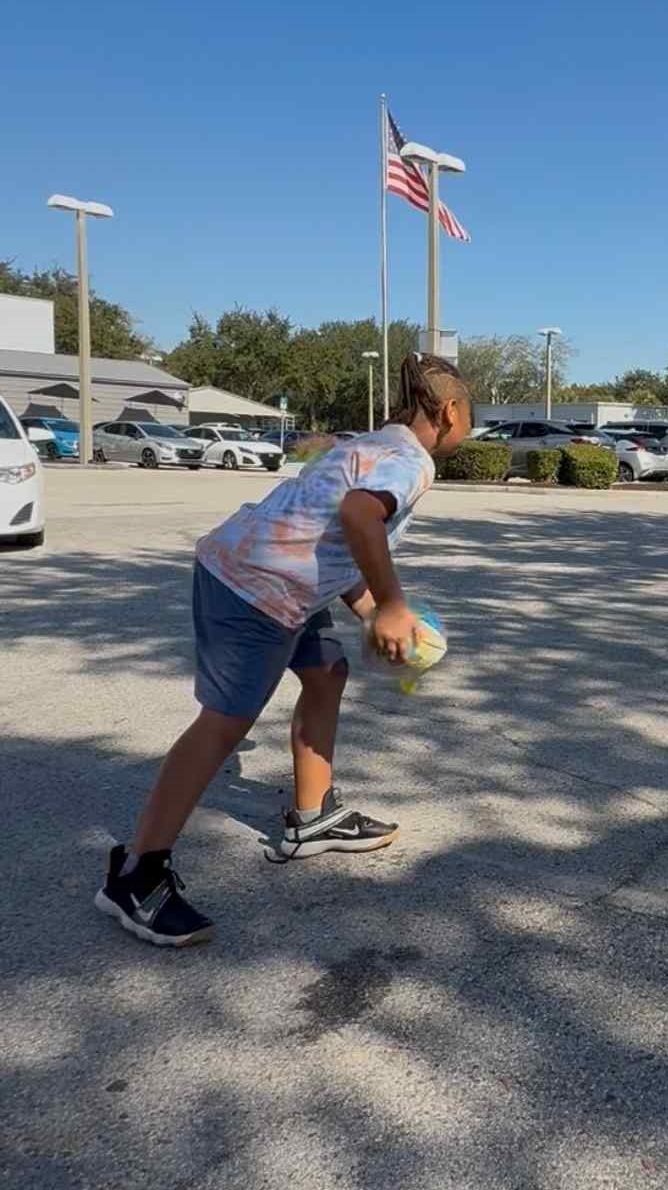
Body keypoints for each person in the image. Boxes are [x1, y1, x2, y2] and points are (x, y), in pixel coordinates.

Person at [95, 353, 472, 947]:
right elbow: (358, 517)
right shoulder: (411, 461)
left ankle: (313, 815)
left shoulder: (369, 444)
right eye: (470, 413)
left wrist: (371, 611)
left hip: (265, 572)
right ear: (450, 411)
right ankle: (136, 874)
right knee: (223, 723)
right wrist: (395, 604)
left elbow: (330, 538)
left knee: (327, 671)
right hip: (256, 587)